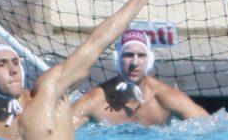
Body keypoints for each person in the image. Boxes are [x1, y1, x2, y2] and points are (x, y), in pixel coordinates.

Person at [0, 0, 174, 140]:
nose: (13, 69)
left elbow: (96, 42)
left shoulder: (49, 91)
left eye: (16, 62)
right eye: (2, 64)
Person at [71, 29, 208, 127]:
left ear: (149, 60)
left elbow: (212, 128)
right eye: (128, 55)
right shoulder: (96, 101)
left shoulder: (166, 99)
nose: (135, 63)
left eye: (141, 55)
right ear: (117, 59)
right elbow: (56, 130)